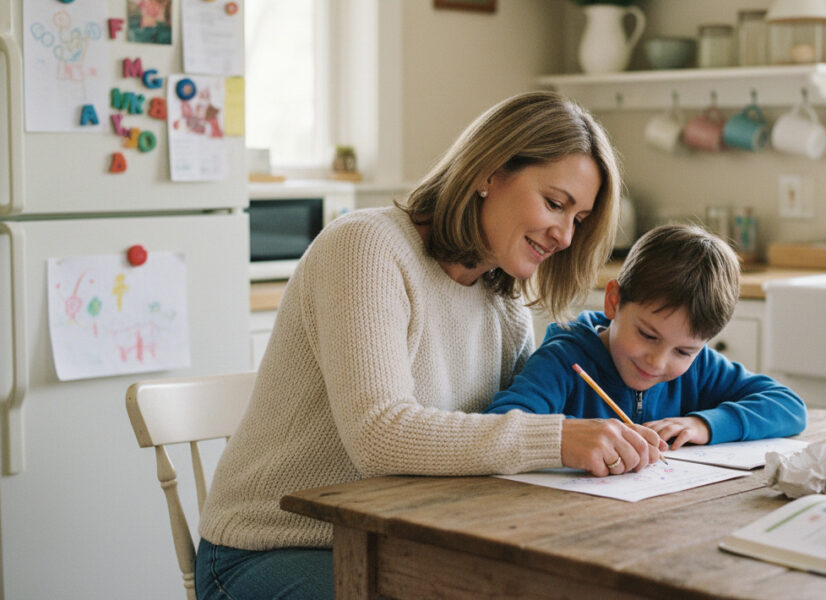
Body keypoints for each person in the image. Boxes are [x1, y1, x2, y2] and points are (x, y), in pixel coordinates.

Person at [194, 91, 665, 600]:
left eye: (578, 219)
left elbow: (489, 439)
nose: (566, 236)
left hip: (394, 543)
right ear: (488, 172)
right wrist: (558, 439)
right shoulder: (366, 248)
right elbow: (379, 436)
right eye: (555, 204)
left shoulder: (503, 305)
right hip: (269, 549)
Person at [485, 224, 807, 450]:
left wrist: (705, 425)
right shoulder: (564, 359)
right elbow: (499, 425)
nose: (658, 361)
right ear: (614, 301)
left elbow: (789, 407)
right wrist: (571, 437)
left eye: (683, 350)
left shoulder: (699, 366)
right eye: (648, 335)